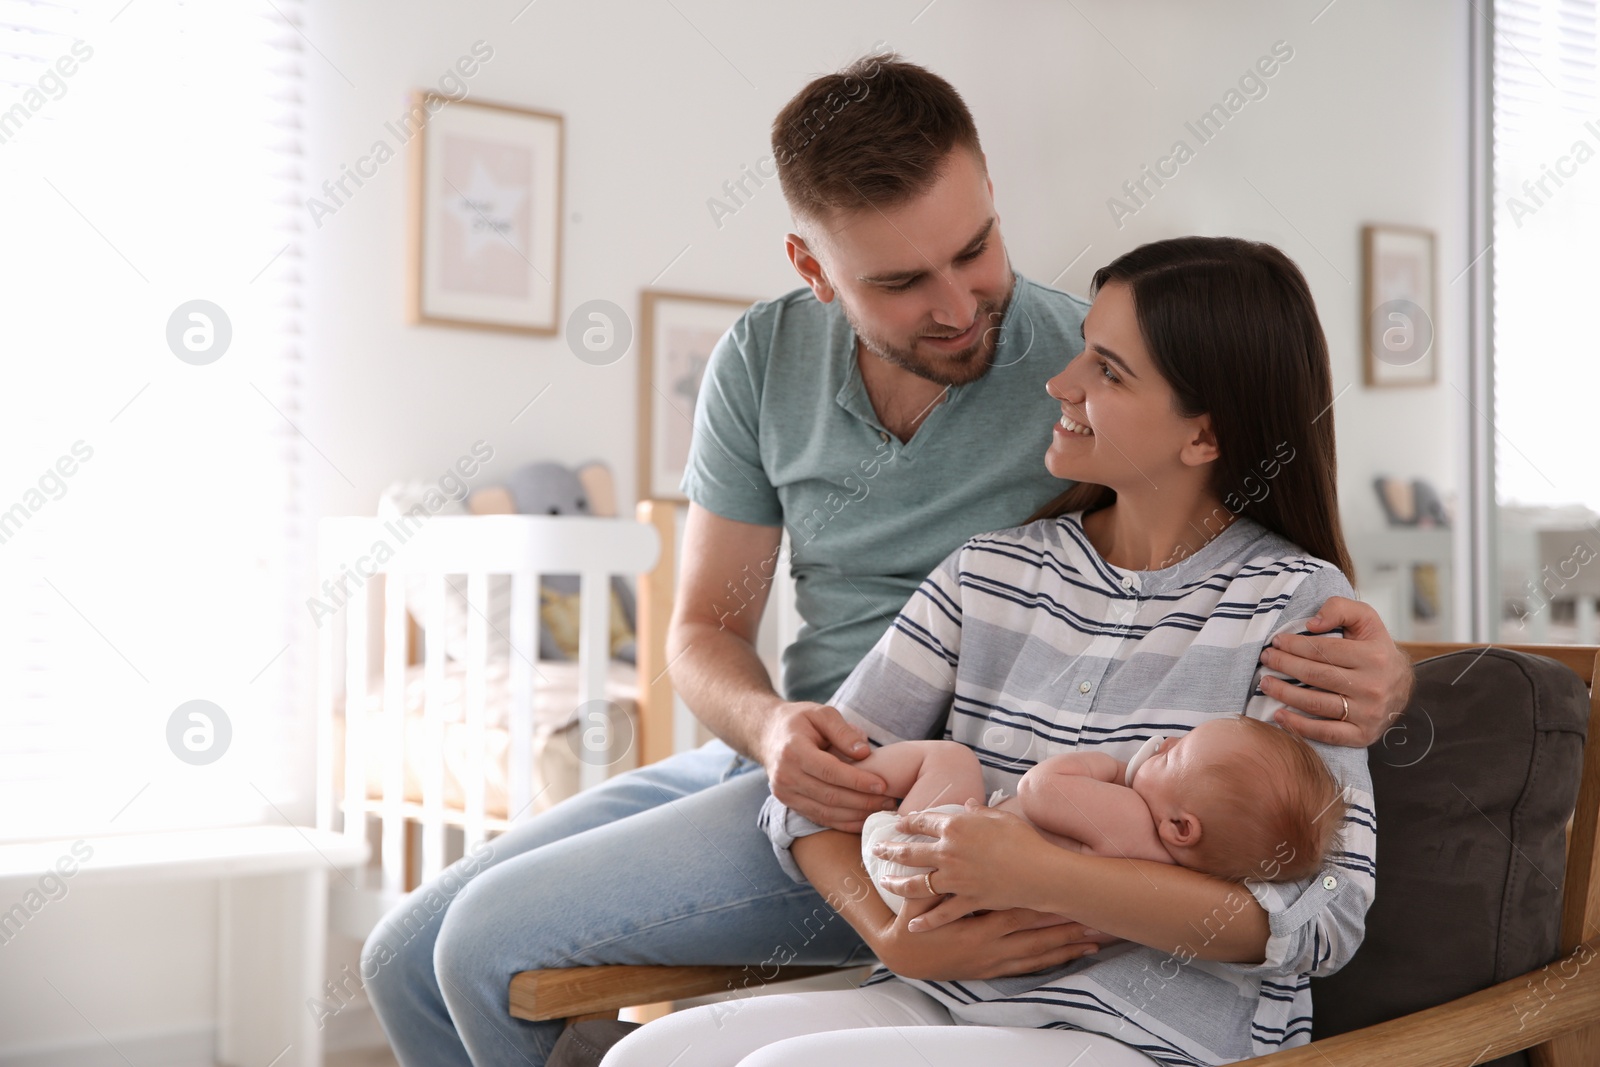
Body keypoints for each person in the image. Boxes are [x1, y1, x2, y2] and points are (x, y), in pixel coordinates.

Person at [361, 54, 1407, 1067]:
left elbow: (1254, 507)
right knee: (405, 956)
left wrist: (1385, 666)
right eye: (903, 281)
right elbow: (706, 631)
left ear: (992, 197)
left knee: (485, 941)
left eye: (975, 248)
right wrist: (778, 736)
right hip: (810, 761)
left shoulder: (1085, 354)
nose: (957, 306)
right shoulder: (767, 364)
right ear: (812, 267)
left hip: (939, 803)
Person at [600, 235, 1377, 1067]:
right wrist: (895, 938)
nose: (1061, 382)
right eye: (1083, 351)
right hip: (943, 997)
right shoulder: (990, 571)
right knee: (650, 1056)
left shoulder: (1292, 604)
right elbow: (811, 793)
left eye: (1108, 371)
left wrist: (1038, 874)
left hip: (1143, 1036)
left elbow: (1324, 912)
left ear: (1202, 437)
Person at [857, 715, 1347, 918]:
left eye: (1173, 757)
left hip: (919, 860)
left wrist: (1107, 767)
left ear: (1181, 827)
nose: (1165, 743)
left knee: (953, 760)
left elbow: (1040, 788)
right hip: (952, 895)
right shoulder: (1164, 874)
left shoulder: (1131, 818)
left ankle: (855, 781)